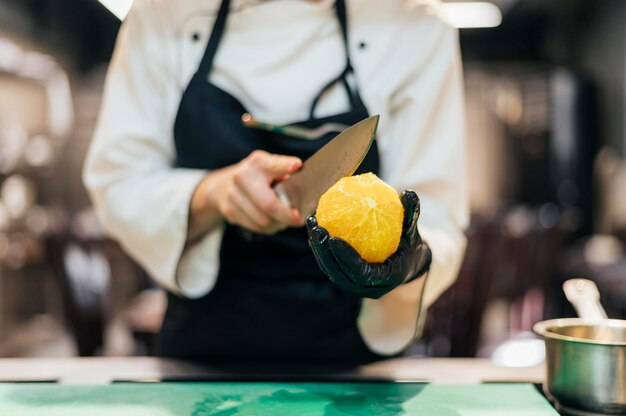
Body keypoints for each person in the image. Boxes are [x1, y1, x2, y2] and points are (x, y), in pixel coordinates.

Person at [83, 0, 468, 364]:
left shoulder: (413, 22)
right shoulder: (162, 13)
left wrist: (410, 260)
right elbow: (119, 181)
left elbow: (437, 214)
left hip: (355, 371)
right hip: (202, 365)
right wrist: (213, 194)